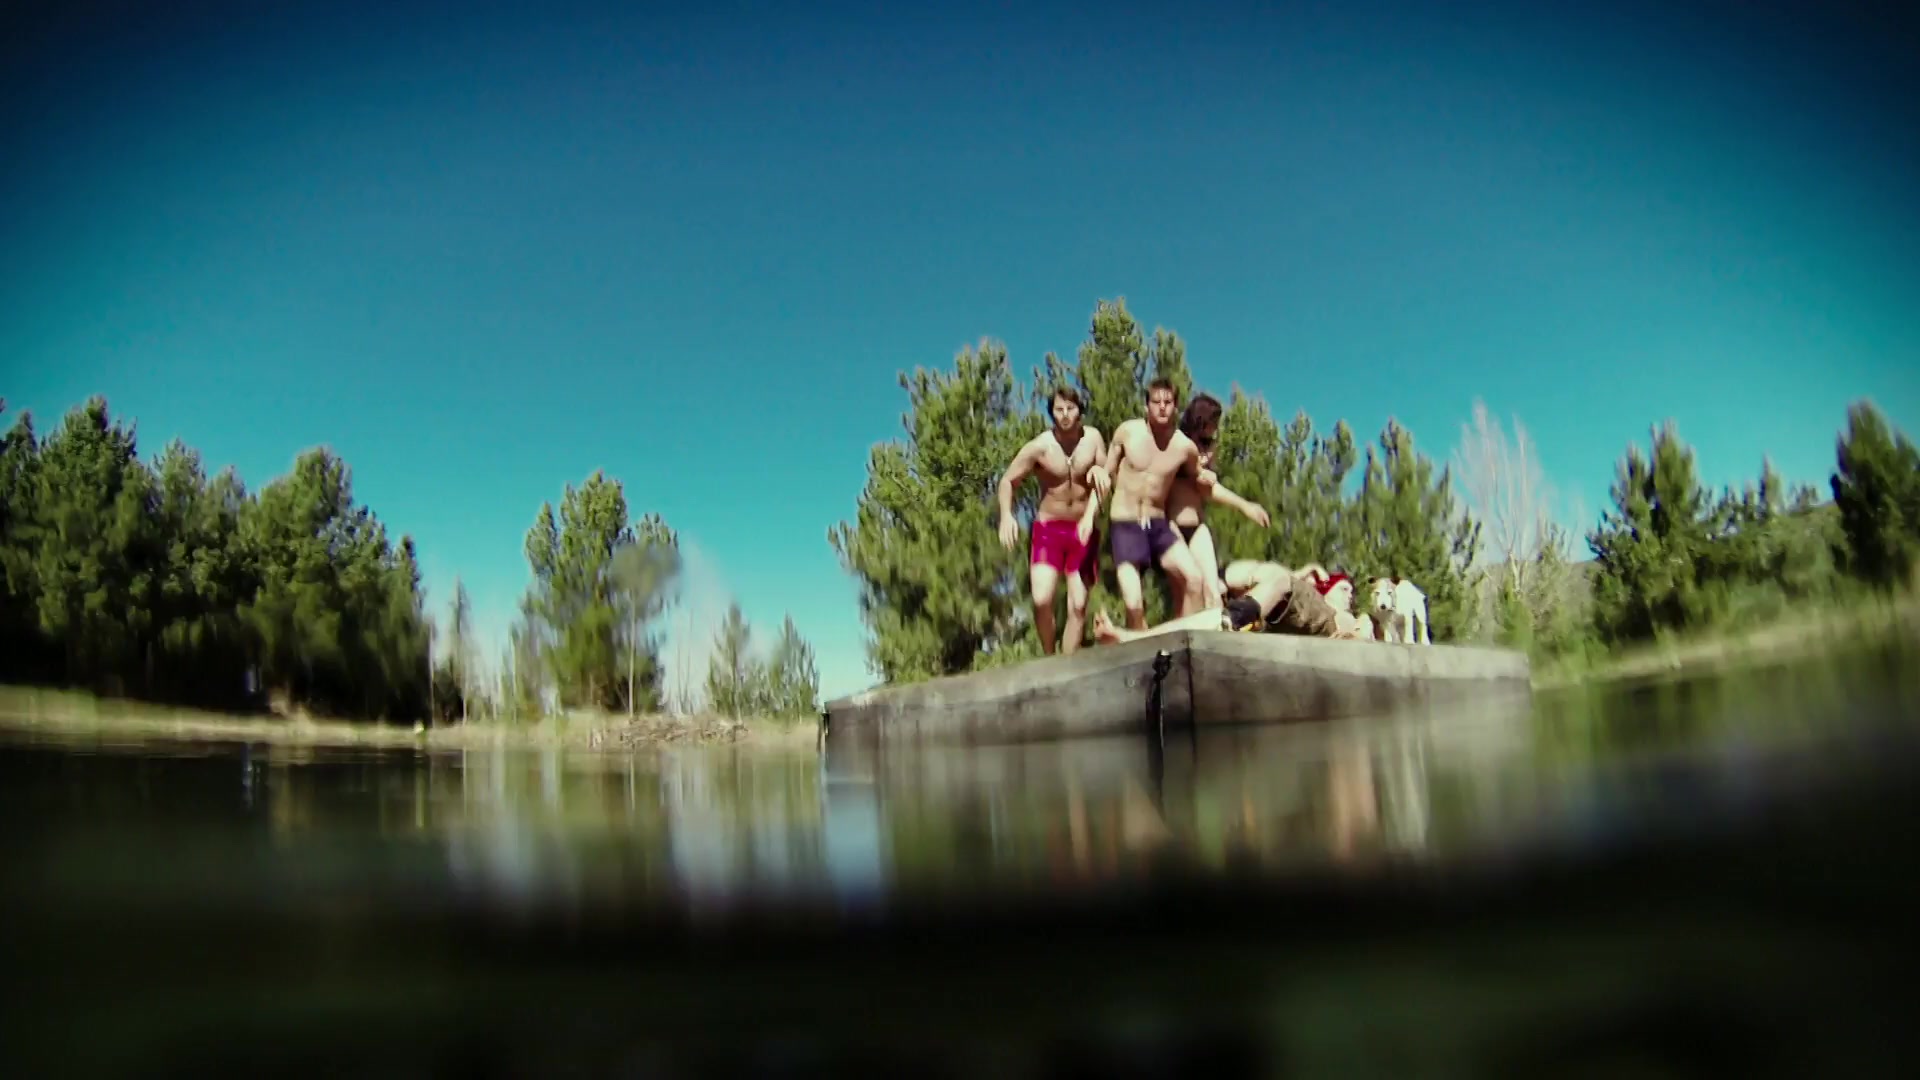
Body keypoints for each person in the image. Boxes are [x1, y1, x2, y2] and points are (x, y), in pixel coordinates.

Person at [996, 385, 1109, 654]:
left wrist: (1091, 506)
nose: (1065, 414)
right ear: (1051, 413)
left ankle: (1067, 666)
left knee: (1078, 607)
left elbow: (1106, 480)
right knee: (1041, 600)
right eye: (1059, 409)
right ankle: (1049, 654)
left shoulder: (1093, 439)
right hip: (1049, 530)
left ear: (1080, 411)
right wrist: (1006, 515)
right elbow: (1008, 481)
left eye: (1070, 408)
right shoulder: (1040, 447)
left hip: (1083, 529)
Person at [1099, 378, 1209, 629]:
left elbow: (1199, 477)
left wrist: (1209, 477)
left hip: (1158, 525)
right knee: (1134, 605)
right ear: (1146, 405)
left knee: (1194, 579)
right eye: (1156, 401)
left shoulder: (1184, 447)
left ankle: (1185, 638)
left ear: (1175, 406)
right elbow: (1106, 474)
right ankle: (1138, 644)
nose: (1162, 407)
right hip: (1126, 524)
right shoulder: (1128, 432)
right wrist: (1088, 516)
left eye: (1167, 402)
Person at [1164, 393, 1271, 615]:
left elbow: (1208, 489)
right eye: (1213, 421)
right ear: (1201, 419)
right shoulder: (1177, 442)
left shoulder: (1210, 448)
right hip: (1171, 524)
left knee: (1212, 593)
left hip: (1197, 525)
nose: (1216, 427)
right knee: (1186, 591)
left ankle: (1216, 633)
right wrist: (1198, 471)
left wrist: (1245, 506)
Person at [1090, 558, 1351, 643]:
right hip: (1276, 614)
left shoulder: (1337, 614)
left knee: (1278, 577)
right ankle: (1131, 638)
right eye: (1343, 588)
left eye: (1350, 591)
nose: (1349, 594)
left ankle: (1228, 603)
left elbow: (1359, 626)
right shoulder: (1307, 593)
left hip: (1313, 620)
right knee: (1270, 577)